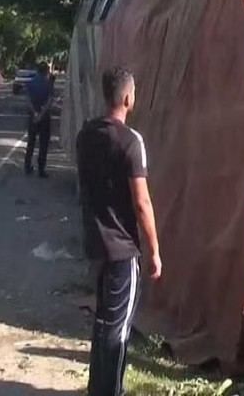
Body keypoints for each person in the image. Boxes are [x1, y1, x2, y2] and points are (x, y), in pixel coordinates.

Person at [76, 67, 162, 396]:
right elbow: (142, 202)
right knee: (118, 329)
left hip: (95, 244)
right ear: (128, 97)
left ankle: (96, 387)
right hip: (122, 249)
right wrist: (154, 250)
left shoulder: (87, 135)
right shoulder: (130, 141)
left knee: (102, 324)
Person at [24, 61, 55, 177]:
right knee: (43, 143)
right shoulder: (49, 84)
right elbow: (50, 100)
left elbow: (27, 100)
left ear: (37, 70)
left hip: (33, 116)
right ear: (47, 71)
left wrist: (35, 113)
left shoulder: (31, 83)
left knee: (31, 141)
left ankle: (27, 166)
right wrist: (41, 114)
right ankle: (41, 169)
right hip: (45, 116)